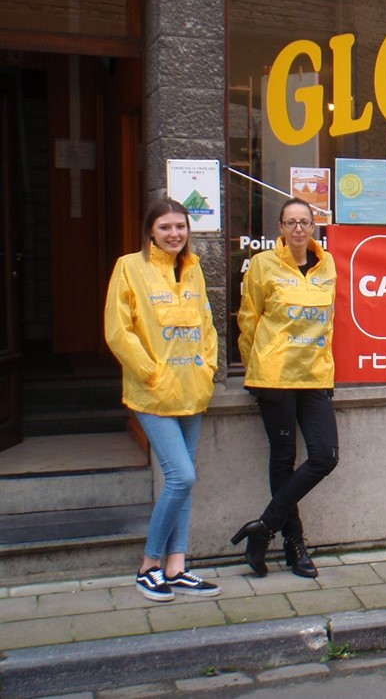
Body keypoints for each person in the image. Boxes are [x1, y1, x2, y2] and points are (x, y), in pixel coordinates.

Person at [104, 199, 220, 602]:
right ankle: (149, 565)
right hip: (152, 393)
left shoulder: (193, 269)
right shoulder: (129, 267)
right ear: (150, 231)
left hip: (192, 391)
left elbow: (207, 324)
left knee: (185, 483)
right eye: (166, 227)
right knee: (181, 477)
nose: (174, 234)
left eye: (180, 227)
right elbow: (118, 331)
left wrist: (208, 369)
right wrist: (151, 373)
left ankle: (177, 565)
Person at [232, 197, 339, 577]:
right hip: (274, 376)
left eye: (304, 222)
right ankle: (296, 546)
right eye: (290, 222)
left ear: (313, 227)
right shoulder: (263, 265)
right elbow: (248, 320)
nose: (297, 228)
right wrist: (253, 366)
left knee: (325, 456)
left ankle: (263, 528)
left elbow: (328, 323)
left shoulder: (328, 267)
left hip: (313, 376)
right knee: (282, 460)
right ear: (280, 228)